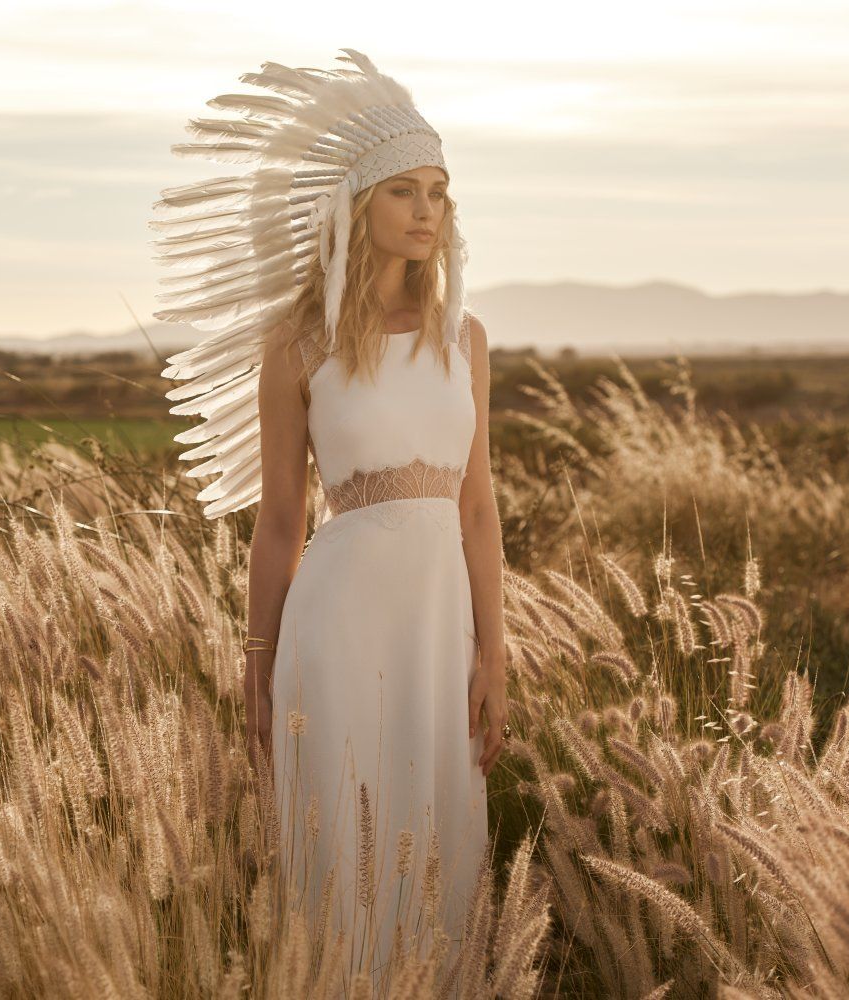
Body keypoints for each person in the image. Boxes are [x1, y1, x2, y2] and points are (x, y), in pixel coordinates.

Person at [150, 49, 510, 993]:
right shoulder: (299, 346)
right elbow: (278, 523)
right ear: (359, 207)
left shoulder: (464, 341)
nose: (428, 210)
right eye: (404, 190)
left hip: (442, 631)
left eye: (439, 190)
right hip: (337, 624)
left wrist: (495, 651)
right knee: (345, 848)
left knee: (444, 841)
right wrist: (258, 660)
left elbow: (477, 506)